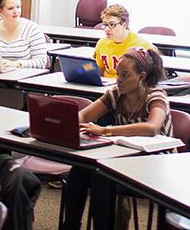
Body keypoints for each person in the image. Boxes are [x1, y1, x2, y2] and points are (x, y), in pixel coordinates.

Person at [64, 47, 172, 230]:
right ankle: (70, 226)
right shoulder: (116, 93)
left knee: (102, 176)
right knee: (79, 170)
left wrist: (105, 130)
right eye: (118, 74)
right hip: (124, 159)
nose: (118, 79)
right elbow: (84, 116)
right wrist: (63, 122)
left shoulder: (155, 95)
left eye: (125, 75)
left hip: (155, 164)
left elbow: (152, 127)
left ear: (142, 76)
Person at [94, 4, 155, 79]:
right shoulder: (102, 43)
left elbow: (151, 77)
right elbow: (96, 69)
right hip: (107, 87)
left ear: (124, 24)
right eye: (105, 25)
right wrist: (81, 69)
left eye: (112, 24)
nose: (107, 29)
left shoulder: (142, 46)